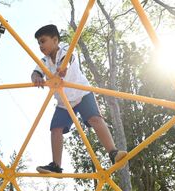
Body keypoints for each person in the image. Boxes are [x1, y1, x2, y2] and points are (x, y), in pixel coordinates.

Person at [31, 24, 127, 173]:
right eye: (38, 43)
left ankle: (113, 152)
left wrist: (63, 68)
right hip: (64, 101)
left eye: (43, 41)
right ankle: (56, 166)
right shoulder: (44, 60)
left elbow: (66, 61)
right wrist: (36, 77)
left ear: (55, 40)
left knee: (95, 119)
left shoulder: (65, 49)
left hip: (81, 93)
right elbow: (36, 72)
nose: (40, 46)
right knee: (55, 129)